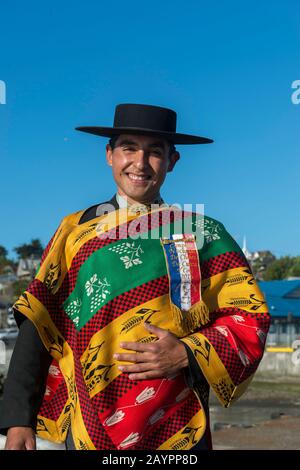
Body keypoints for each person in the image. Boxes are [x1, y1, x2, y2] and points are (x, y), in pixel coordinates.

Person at [0, 103, 270, 450]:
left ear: (172, 161)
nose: (140, 164)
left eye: (154, 152)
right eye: (129, 148)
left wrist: (188, 352)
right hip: (88, 422)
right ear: (109, 154)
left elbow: (250, 317)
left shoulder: (203, 234)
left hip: (178, 425)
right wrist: (18, 419)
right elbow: (38, 323)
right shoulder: (75, 232)